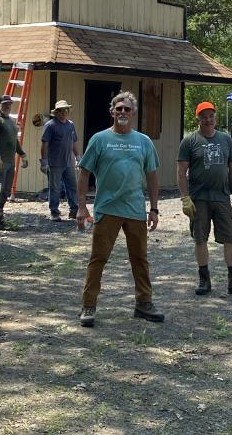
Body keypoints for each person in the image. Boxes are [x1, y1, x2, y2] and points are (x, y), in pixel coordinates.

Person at [77, 91, 164, 327]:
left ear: (133, 113)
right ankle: (88, 306)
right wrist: (82, 206)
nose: (123, 112)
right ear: (112, 112)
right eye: (119, 108)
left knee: (140, 259)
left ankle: (144, 304)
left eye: (127, 109)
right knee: (98, 259)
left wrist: (154, 209)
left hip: (135, 210)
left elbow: (152, 176)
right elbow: (84, 172)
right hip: (107, 209)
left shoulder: (143, 142)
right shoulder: (99, 139)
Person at [177, 101, 232, 297]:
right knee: (200, 239)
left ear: (215, 118)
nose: (208, 120)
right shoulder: (189, 142)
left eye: (211, 116)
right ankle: (204, 279)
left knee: (230, 238)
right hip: (199, 199)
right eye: (204, 116)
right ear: (197, 118)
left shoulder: (226, 140)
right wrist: (185, 197)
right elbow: (181, 171)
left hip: (222, 197)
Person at [0, 95, 28, 229]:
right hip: (1, 161)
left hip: (10, 161)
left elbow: (14, 140)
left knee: (6, 190)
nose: (8, 106)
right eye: (5, 104)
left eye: (9, 104)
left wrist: (22, 154)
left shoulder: (11, 120)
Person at [40, 100, 80, 221]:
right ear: (56, 112)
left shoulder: (70, 124)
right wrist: (44, 162)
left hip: (69, 162)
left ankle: (74, 210)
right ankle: (54, 212)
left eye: (66, 110)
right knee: (55, 188)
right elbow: (44, 144)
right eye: (61, 110)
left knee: (72, 186)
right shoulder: (50, 125)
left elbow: (73, 141)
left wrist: (78, 157)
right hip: (55, 162)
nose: (64, 112)